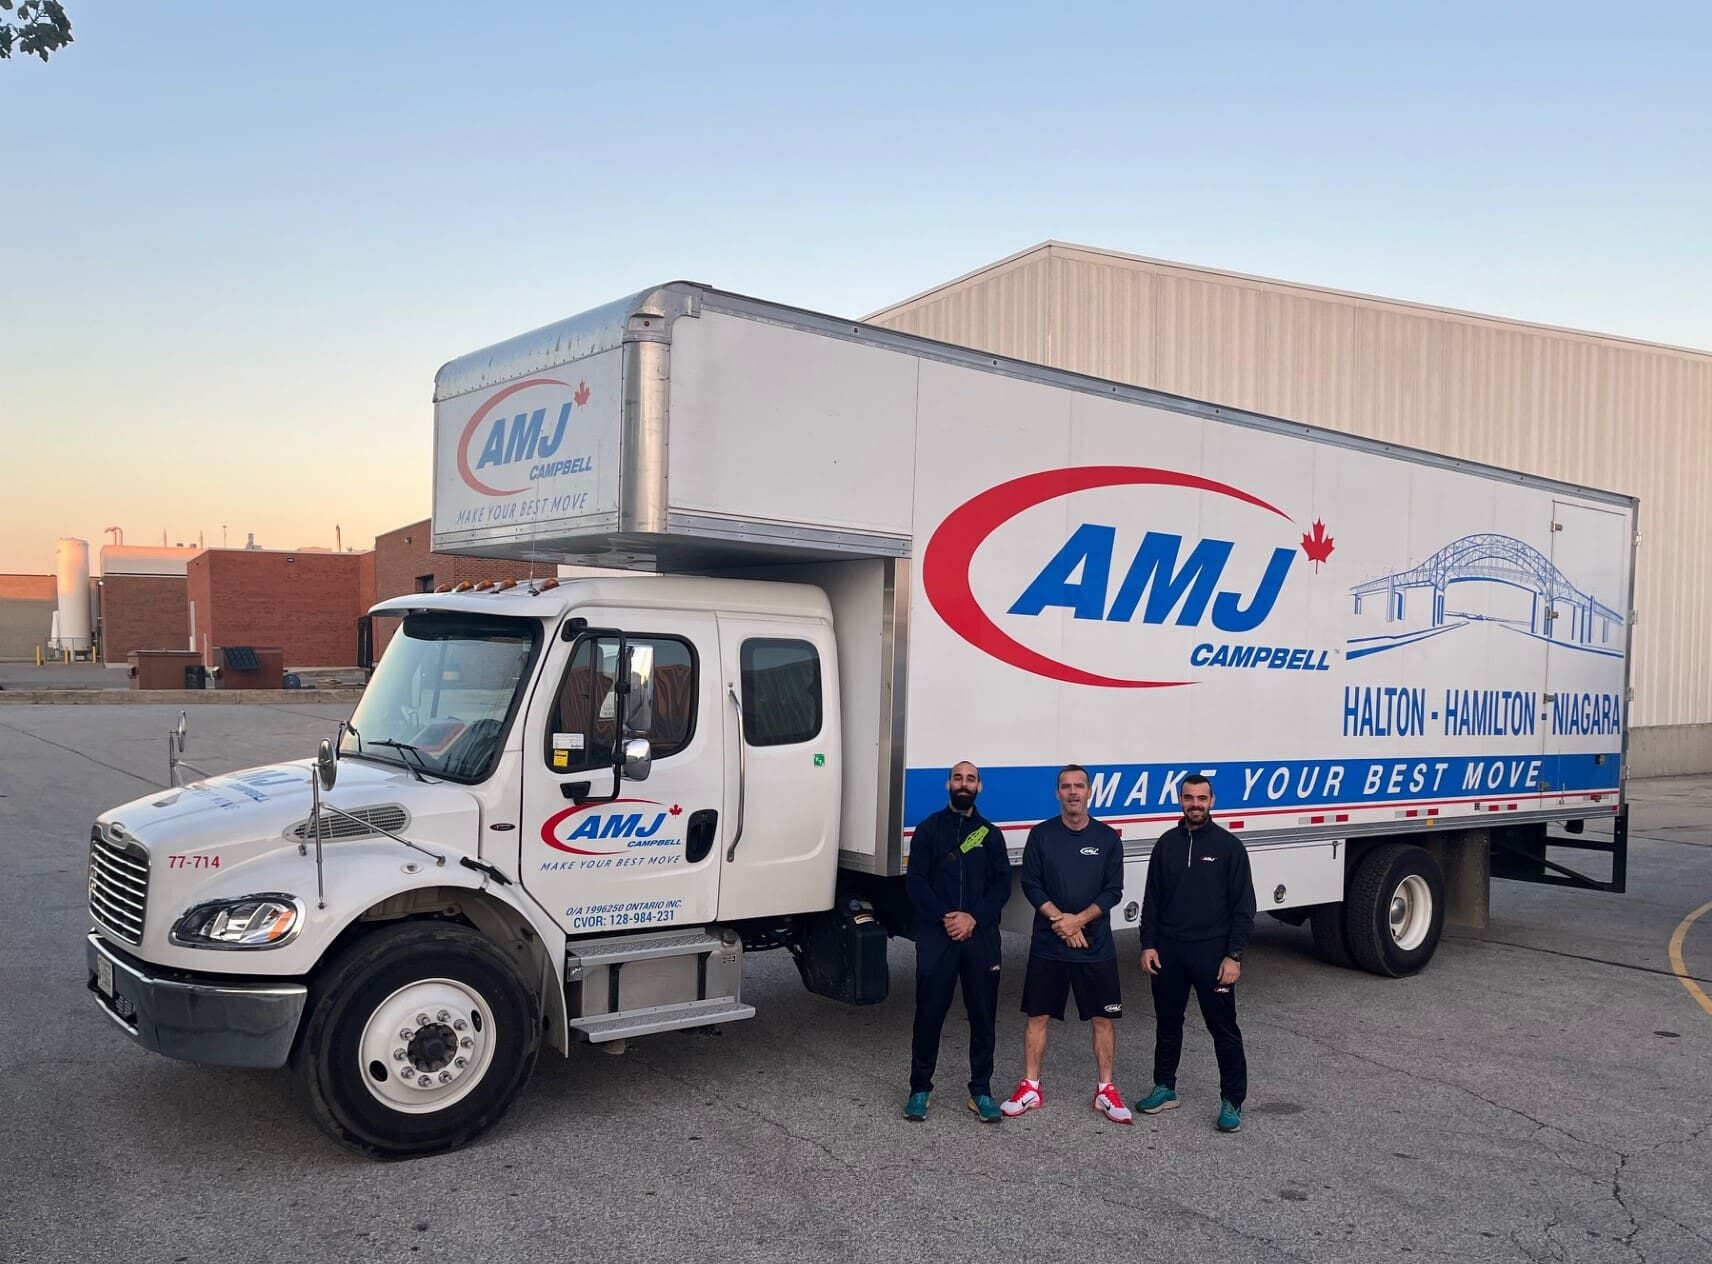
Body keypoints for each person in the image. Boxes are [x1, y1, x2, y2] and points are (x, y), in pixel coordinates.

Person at [1001, 764, 1131, 1124]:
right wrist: (1061, 920)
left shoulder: (1107, 838)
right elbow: (1031, 884)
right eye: (1065, 786)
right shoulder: (1041, 835)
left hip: (1095, 945)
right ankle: (1031, 1086)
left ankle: (1106, 1090)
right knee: (1037, 1016)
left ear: (1090, 792)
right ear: (1057, 793)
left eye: (1079, 786)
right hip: (1050, 944)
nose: (1073, 792)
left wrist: (1079, 921)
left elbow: (1113, 891)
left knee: (1103, 1018)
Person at [1133, 773, 1256, 1133]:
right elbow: (1152, 899)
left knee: (1223, 1029)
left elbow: (1244, 907)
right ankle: (1165, 1087)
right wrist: (1147, 944)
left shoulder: (1230, 847)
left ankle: (1232, 1100)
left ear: (1212, 801)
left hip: (1212, 954)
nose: (1195, 804)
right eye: (1189, 798)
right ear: (1180, 800)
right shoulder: (1166, 844)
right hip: (1168, 951)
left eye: (1202, 798)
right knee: (1168, 1023)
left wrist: (1234, 955)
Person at [904, 761, 1013, 1122]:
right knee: (929, 1014)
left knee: (983, 1016)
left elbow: (1001, 885)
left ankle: (981, 1090)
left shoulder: (990, 834)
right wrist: (946, 917)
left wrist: (973, 918)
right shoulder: (928, 830)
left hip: (980, 936)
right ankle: (920, 1088)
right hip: (939, 935)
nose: (963, 784)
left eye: (970, 779)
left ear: (979, 787)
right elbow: (916, 882)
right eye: (957, 778)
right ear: (948, 784)